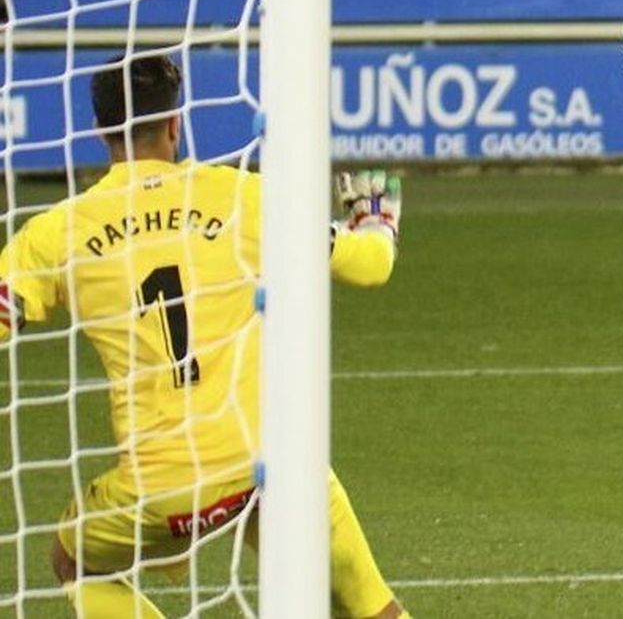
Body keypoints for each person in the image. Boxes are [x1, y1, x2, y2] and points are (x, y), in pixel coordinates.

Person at [0, 54, 408, 619]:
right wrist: (377, 223)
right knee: (370, 607)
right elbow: (371, 266)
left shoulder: (55, 233)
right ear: (175, 123)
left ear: (99, 130)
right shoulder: (245, 197)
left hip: (164, 491)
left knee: (73, 560)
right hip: (272, 460)